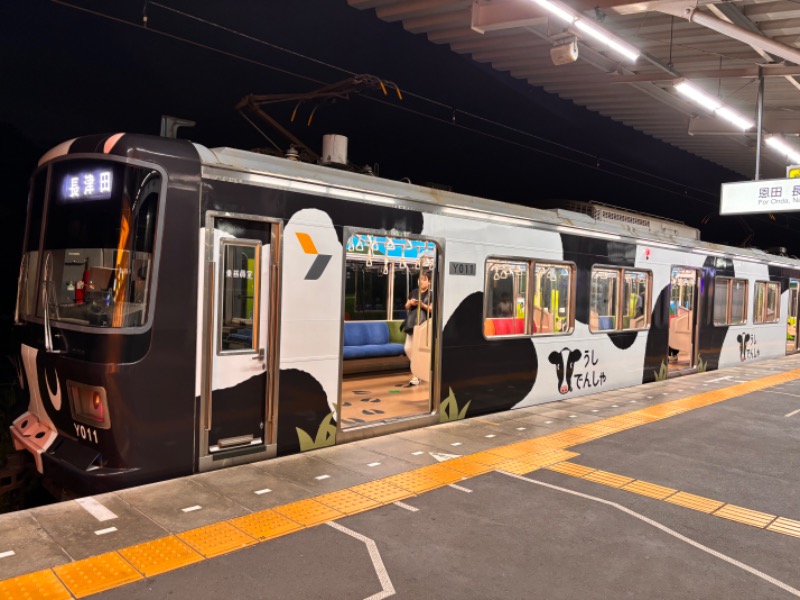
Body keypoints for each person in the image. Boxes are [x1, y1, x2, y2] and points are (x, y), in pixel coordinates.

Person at [403, 271, 433, 386]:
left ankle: (416, 375)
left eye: (423, 280)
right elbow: (406, 306)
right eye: (419, 279)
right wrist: (411, 303)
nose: (420, 282)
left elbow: (431, 309)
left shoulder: (431, 294)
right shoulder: (414, 292)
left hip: (423, 325)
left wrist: (422, 304)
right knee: (408, 348)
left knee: (418, 349)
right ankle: (419, 369)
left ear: (429, 282)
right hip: (411, 323)